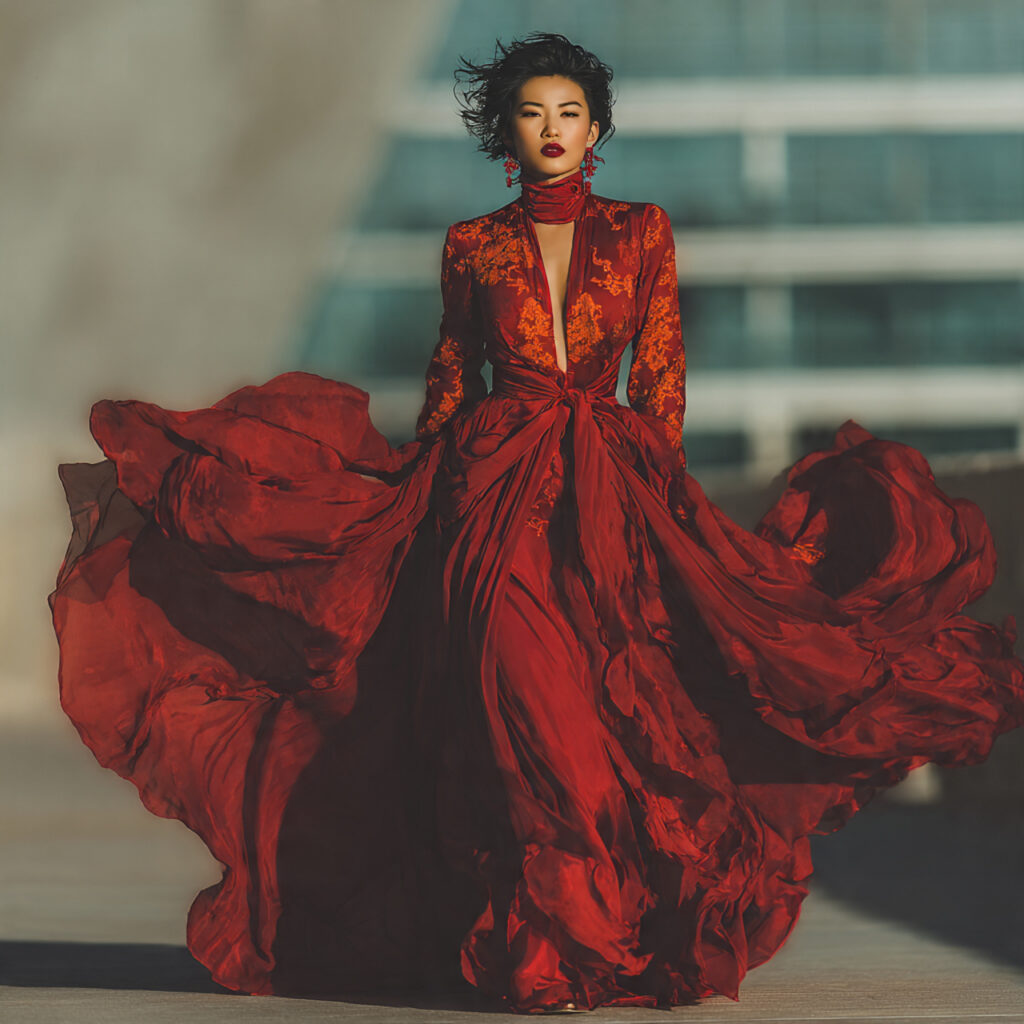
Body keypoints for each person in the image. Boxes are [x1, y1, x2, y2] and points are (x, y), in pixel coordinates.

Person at [48, 31, 1024, 1017]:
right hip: (490, 496)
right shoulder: (472, 243)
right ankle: (544, 948)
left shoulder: (644, 230)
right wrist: (406, 487)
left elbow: (664, 379)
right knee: (522, 709)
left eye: (569, 112)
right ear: (502, 134)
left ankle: (579, 938)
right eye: (532, 112)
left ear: (594, 128)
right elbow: (447, 376)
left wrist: (664, 508)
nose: (551, 129)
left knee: (615, 725)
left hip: (611, 490)